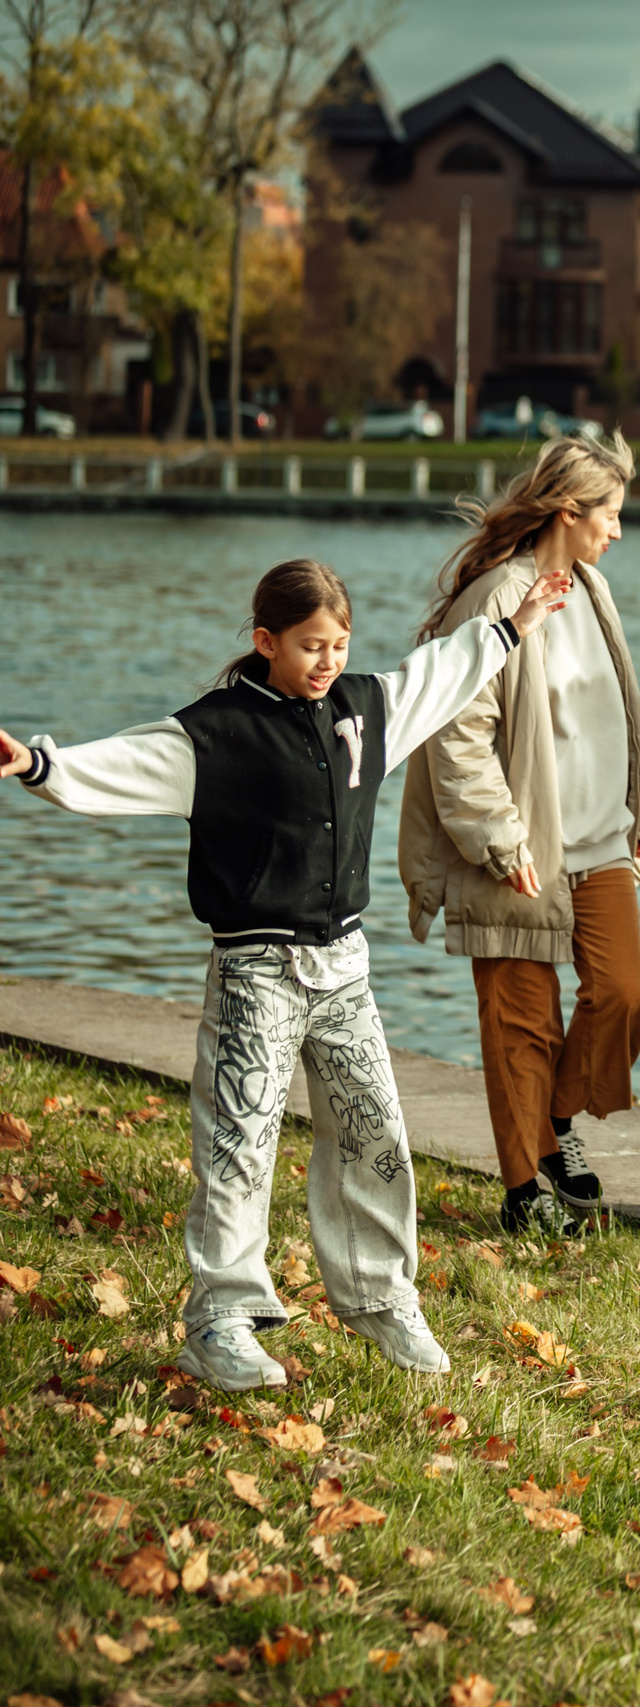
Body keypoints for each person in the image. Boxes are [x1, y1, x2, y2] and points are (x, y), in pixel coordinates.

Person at [0, 557, 574, 1390]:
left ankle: (381, 1294)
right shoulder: (219, 732)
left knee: (374, 1131)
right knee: (240, 1138)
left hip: (344, 967)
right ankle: (221, 1319)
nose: (328, 660)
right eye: (310, 646)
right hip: (255, 973)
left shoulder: (366, 708)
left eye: (339, 643)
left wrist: (512, 628)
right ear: (266, 641)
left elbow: (438, 674)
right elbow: (126, 764)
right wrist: (37, 765)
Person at [398, 432, 640, 1236]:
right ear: (566, 510)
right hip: (517, 847)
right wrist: (499, 839)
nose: (617, 530)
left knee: (624, 994)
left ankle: (552, 1120)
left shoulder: (593, 589)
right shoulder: (497, 596)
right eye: (609, 514)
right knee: (519, 1020)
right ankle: (524, 1192)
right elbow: (457, 732)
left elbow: (618, 702)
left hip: (600, 838)